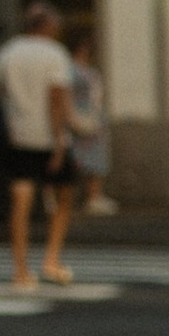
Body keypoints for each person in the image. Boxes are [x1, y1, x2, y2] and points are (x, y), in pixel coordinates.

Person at [0, 0, 78, 290]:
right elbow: (56, 100)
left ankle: (20, 269)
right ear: (48, 26)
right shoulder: (55, 54)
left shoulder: (7, 52)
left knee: (20, 202)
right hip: (48, 136)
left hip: (16, 135)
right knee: (63, 196)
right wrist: (60, 142)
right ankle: (51, 258)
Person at [65, 24, 112, 217]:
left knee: (96, 158)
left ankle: (94, 196)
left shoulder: (87, 69)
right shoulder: (70, 69)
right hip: (78, 116)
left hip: (94, 117)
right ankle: (72, 198)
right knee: (76, 158)